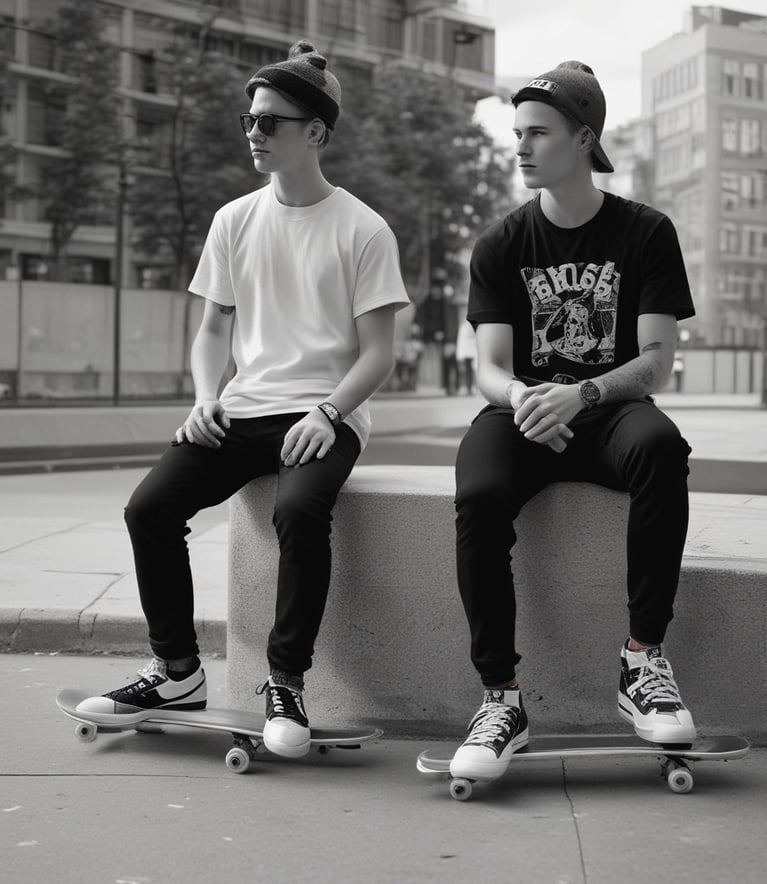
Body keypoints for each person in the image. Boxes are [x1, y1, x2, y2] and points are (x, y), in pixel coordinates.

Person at [76, 41, 410, 758]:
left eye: (269, 122)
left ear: (315, 132)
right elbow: (211, 329)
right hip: (240, 408)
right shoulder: (234, 220)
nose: (253, 133)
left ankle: (285, 682)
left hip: (325, 412)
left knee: (298, 509)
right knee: (148, 508)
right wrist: (204, 396)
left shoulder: (364, 229)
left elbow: (380, 352)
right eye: (248, 119)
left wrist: (330, 412)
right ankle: (176, 671)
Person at [450, 60, 697, 783]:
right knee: (478, 492)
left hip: (607, 414)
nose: (521, 148)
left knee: (661, 446)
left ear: (584, 139)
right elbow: (488, 367)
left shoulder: (646, 232)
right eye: (516, 134)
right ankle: (499, 701)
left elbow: (655, 362)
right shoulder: (500, 244)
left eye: (538, 133)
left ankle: (642, 661)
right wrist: (527, 398)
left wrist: (581, 396)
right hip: (524, 413)